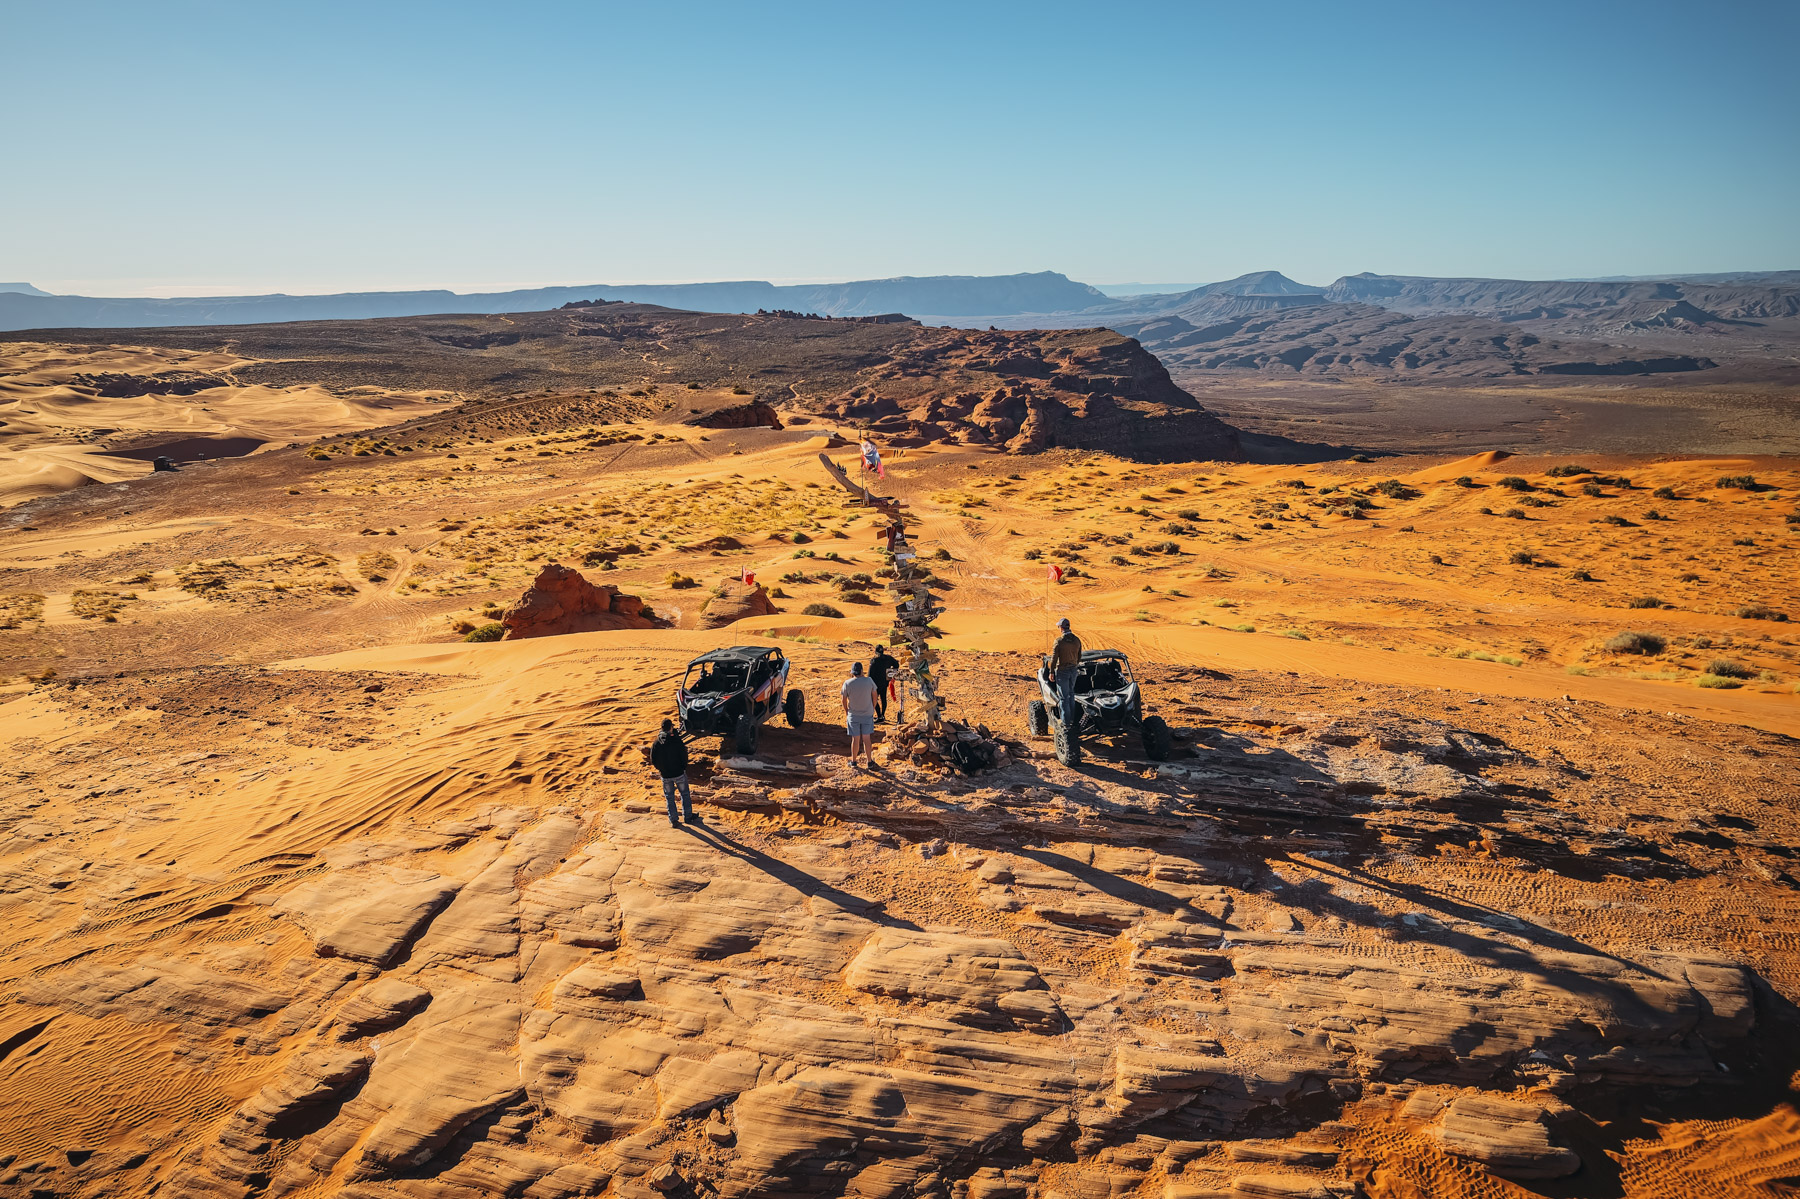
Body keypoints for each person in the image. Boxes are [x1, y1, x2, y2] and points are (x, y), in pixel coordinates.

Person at [650, 718, 699, 827]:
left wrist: (661, 769)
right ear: (671, 728)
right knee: (685, 794)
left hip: (666, 775)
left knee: (669, 797)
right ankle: (688, 817)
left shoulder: (657, 743)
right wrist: (683, 768)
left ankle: (674, 820)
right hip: (679, 773)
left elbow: (653, 759)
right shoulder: (676, 741)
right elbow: (684, 756)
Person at [841, 660, 879, 768]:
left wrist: (846, 712)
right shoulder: (869, 681)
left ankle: (853, 761)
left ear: (852, 672)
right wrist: (872, 707)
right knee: (867, 738)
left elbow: (843, 700)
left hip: (853, 715)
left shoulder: (847, 683)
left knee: (855, 739)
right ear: (862, 671)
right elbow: (875, 695)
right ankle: (869, 762)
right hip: (867, 714)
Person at [1050, 617, 1082, 731]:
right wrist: (1074, 665)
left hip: (1062, 671)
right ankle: (1073, 720)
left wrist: (1051, 671)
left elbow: (1054, 659)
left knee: (1063, 698)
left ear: (1061, 628)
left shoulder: (1059, 641)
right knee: (1071, 695)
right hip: (1073, 670)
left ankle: (1066, 722)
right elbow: (1079, 657)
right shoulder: (1077, 640)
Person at [868, 647, 899, 723]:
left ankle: (879, 716)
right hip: (885, 682)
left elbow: (870, 674)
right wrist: (890, 674)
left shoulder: (874, 660)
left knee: (873, 699)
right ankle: (883, 715)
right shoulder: (888, 658)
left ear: (875, 652)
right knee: (883, 699)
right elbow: (897, 665)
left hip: (875, 684)